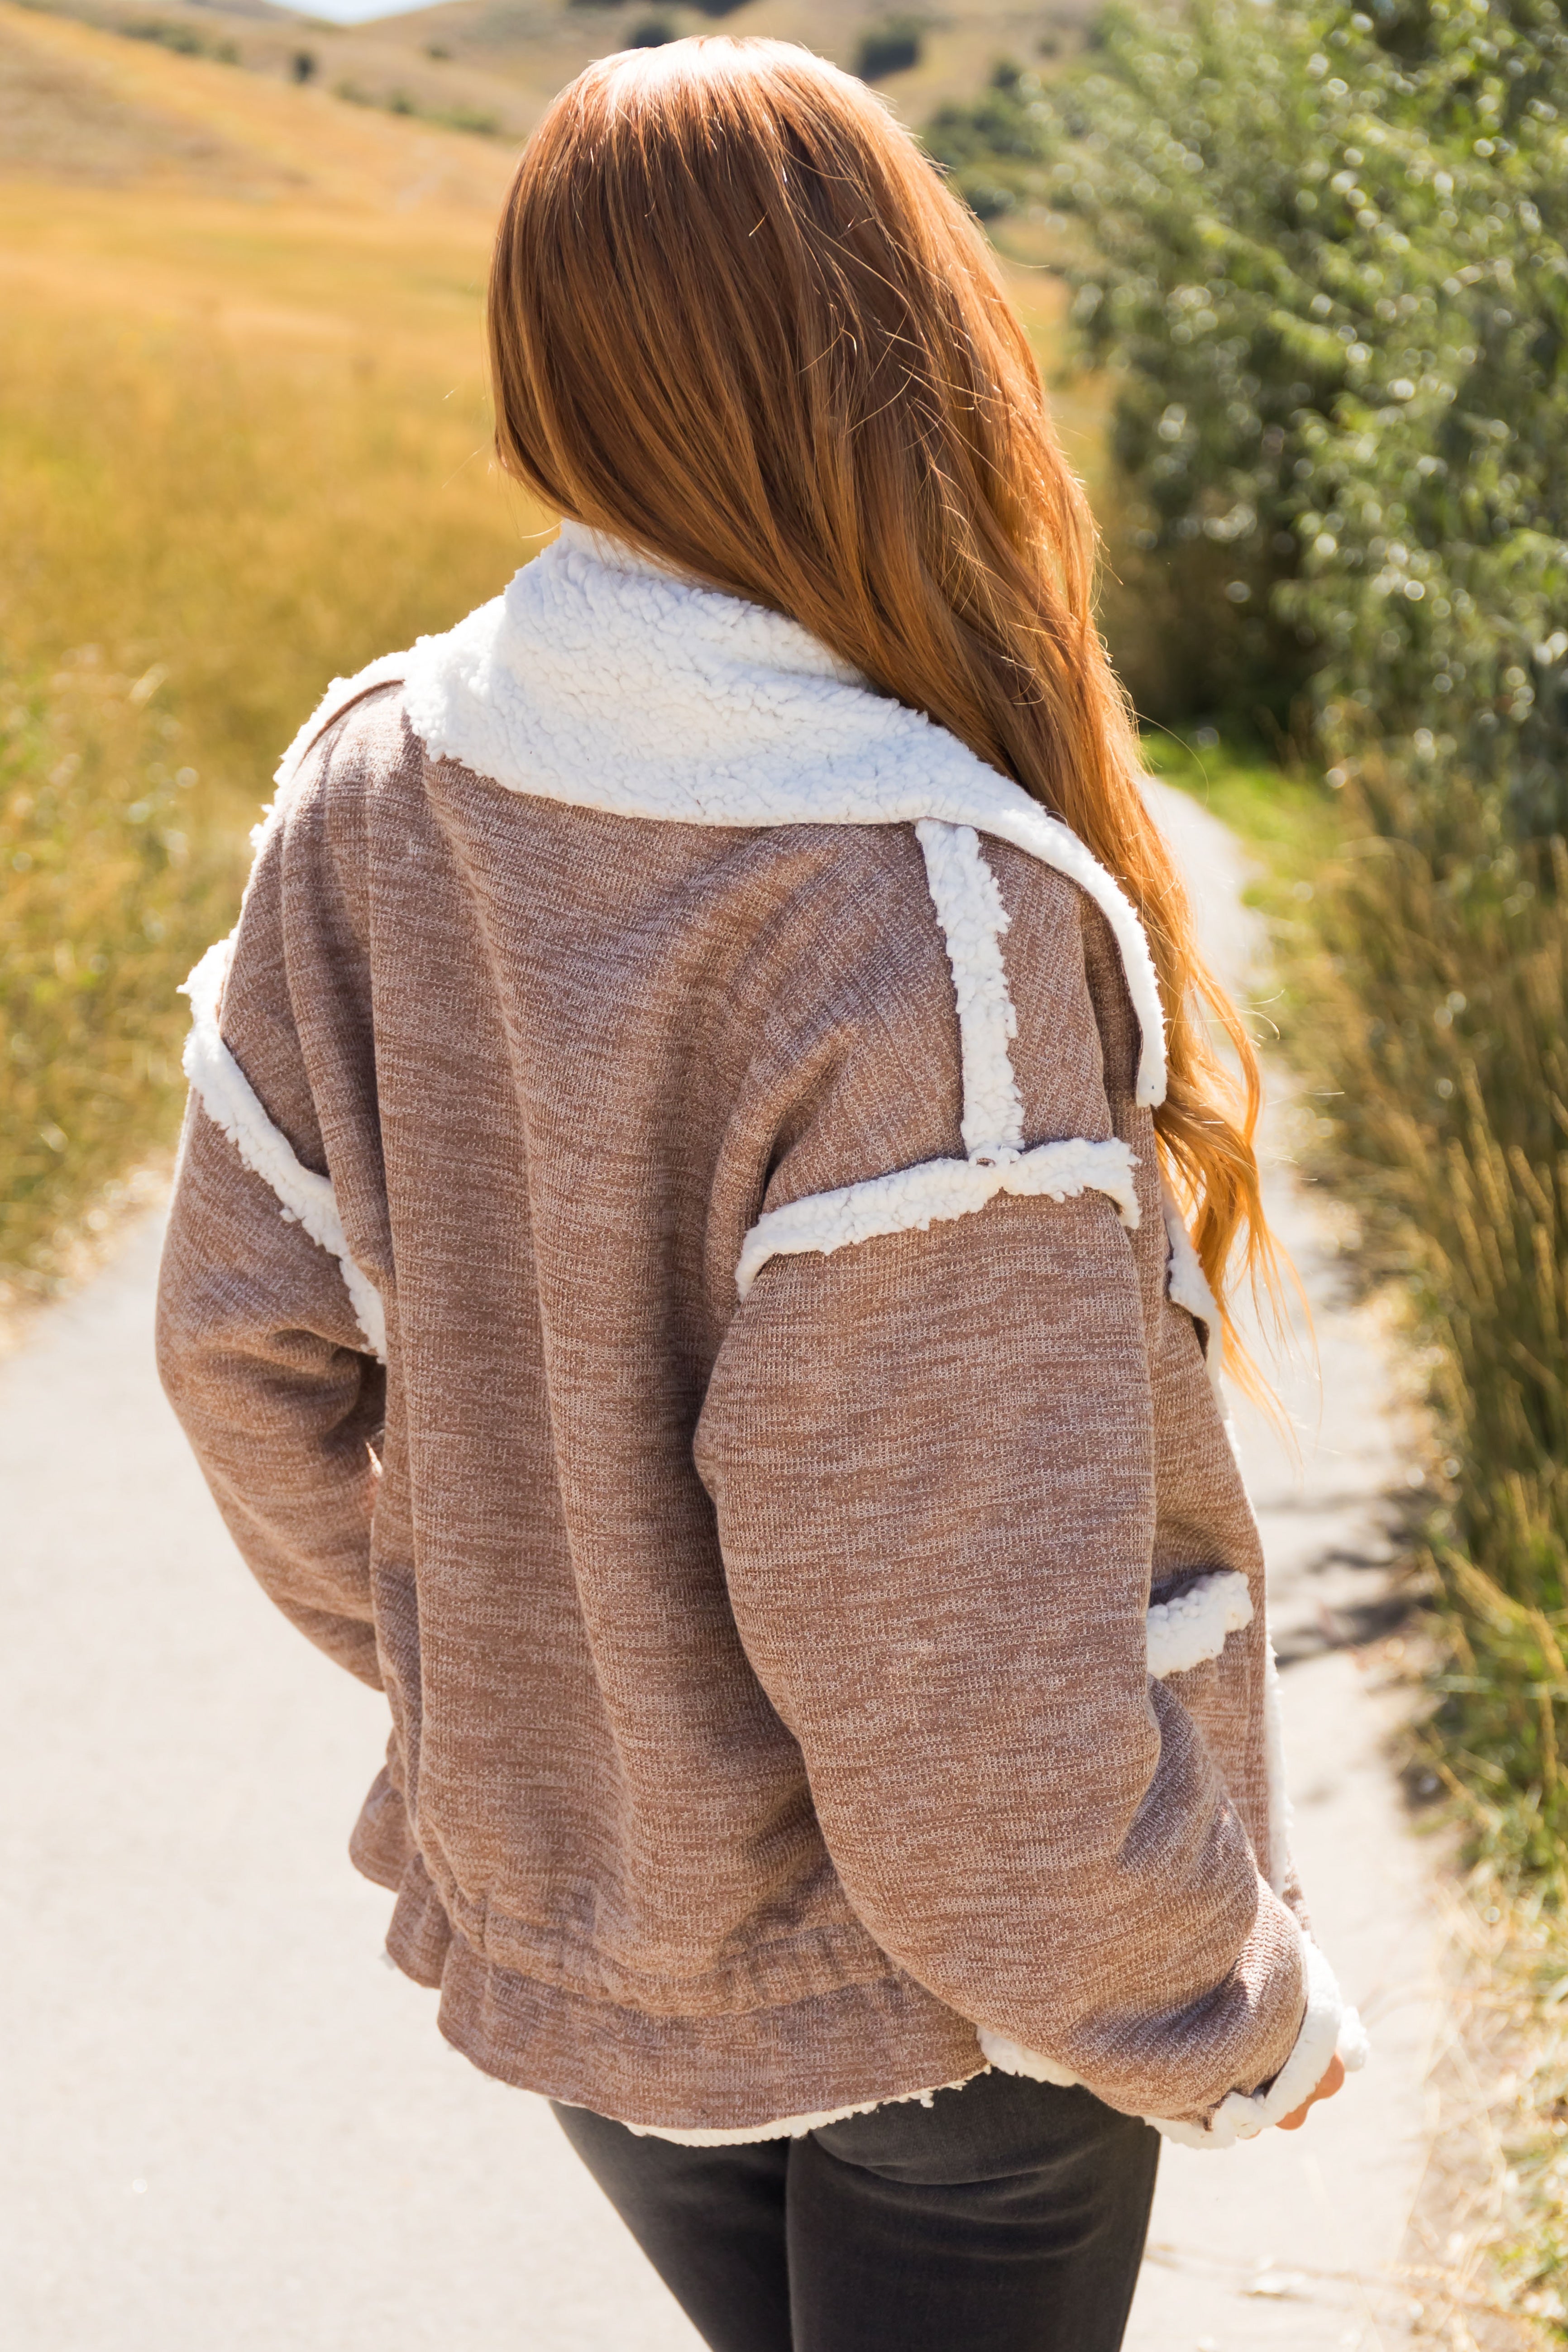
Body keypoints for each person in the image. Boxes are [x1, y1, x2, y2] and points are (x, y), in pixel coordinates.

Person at [156, 38, 1358, 2352]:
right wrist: (1218, 2000)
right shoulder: (908, 902)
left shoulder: (374, 780)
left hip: (608, 1945)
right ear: (904, 353)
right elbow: (951, 1695)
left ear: (549, 373)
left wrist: (531, 1714)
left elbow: (235, 1355)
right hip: (966, 2025)